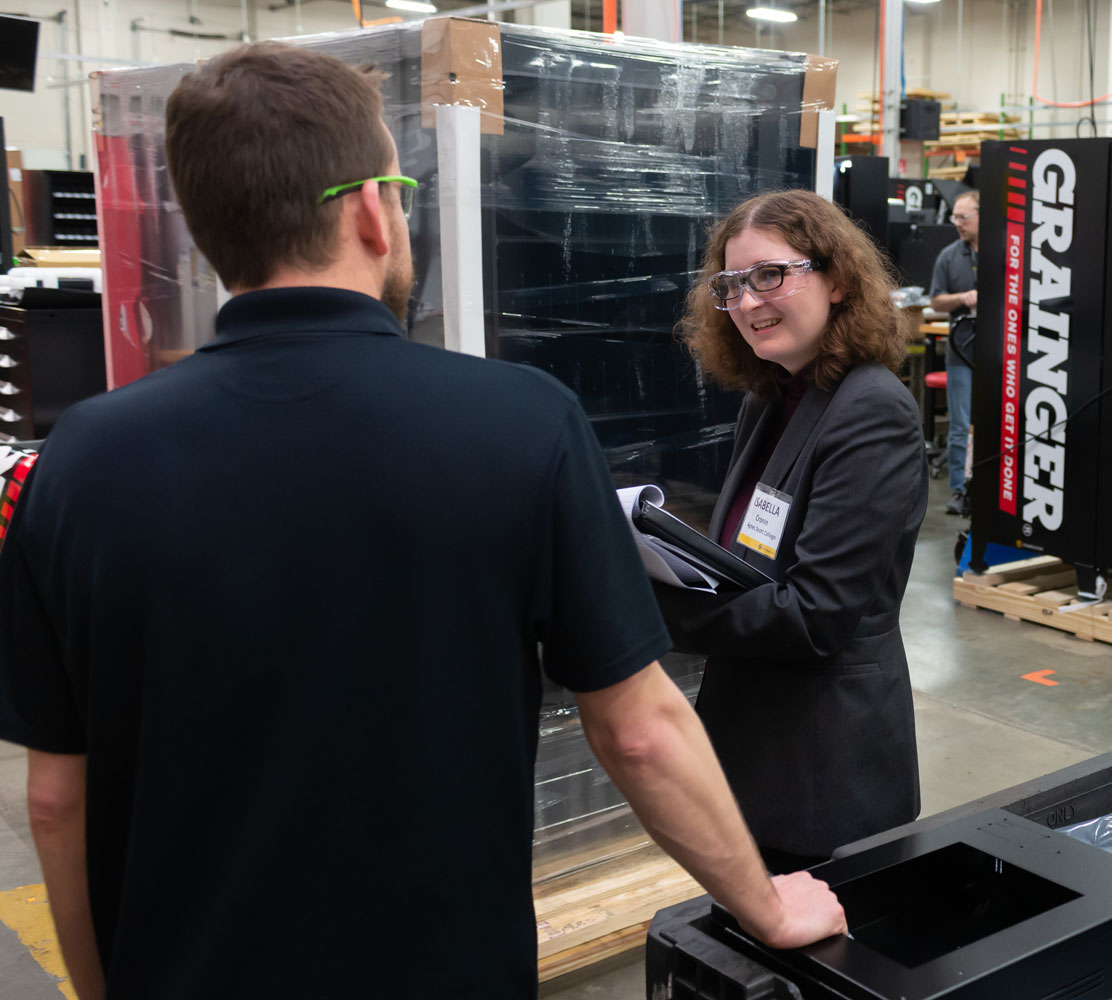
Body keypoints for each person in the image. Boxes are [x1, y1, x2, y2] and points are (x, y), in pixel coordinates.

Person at [0, 43, 843, 1000]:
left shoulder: (81, 461)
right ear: (373, 207)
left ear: (208, 232)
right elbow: (641, 730)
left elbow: (58, 799)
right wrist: (768, 905)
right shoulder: (522, 424)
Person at [660, 189, 924, 875]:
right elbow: (752, 561)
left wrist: (663, 606)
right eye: (732, 285)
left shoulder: (871, 412)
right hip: (754, 735)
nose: (748, 302)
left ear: (836, 280)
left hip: (822, 763)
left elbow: (815, 615)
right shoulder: (773, 398)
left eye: (770, 275)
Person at [928, 190, 980, 516]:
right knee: (960, 425)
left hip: (999, 354)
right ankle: (960, 490)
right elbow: (936, 301)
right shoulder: (949, 256)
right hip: (961, 352)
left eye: (963, 217)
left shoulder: (1009, 252)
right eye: (954, 217)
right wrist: (963, 297)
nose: (957, 223)